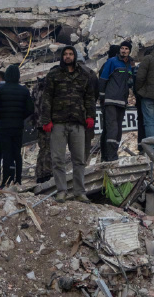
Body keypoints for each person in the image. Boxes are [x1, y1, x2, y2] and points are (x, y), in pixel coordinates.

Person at [41, 46, 97, 202]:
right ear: (62, 57)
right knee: (58, 159)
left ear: (74, 56)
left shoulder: (84, 75)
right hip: (58, 122)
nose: (67, 56)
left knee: (79, 159)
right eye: (65, 54)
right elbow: (46, 98)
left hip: (78, 123)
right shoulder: (54, 74)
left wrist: (91, 116)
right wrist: (46, 120)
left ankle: (79, 191)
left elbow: (89, 98)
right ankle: (62, 190)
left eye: (70, 54)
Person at [0, 64, 34, 185]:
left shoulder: (0, 90)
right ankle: (17, 179)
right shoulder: (24, 90)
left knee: (7, 152)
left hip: (4, 126)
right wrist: (20, 117)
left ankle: (6, 181)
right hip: (17, 126)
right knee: (16, 153)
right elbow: (30, 109)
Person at [98, 40, 135, 161]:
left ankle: (112, 154)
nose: (124, 50)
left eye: (126, 49)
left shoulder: (129, 64)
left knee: (118, 129)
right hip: (111, 100)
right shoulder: (112, 62)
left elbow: (131, 81)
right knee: (112, 127)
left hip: (122, 101)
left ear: (130, 51)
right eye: (122, 48)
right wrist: (102, 97)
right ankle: (111, 156)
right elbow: (103, 79)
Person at [31, 76, 52, 184]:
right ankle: (47, 173)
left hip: (38, 123)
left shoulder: (36, 88)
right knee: (49, 148)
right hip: (48, 122)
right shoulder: (49, 88)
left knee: (42, 148)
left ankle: (40, 174)